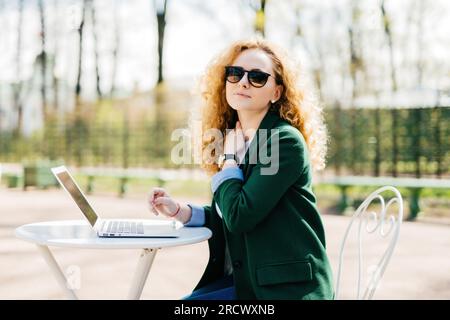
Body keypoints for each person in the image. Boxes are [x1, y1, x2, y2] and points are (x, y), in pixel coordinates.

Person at [148, 38, 334, 300]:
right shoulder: (237, 140)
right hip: (249, 282)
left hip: (288, 290)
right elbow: (228, 210)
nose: (243, 82)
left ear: (276, 93)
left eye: (257, 77)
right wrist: (181, 211)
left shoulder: (283, 141)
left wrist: (228, 158)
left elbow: (240, 216)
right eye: (235, 74)